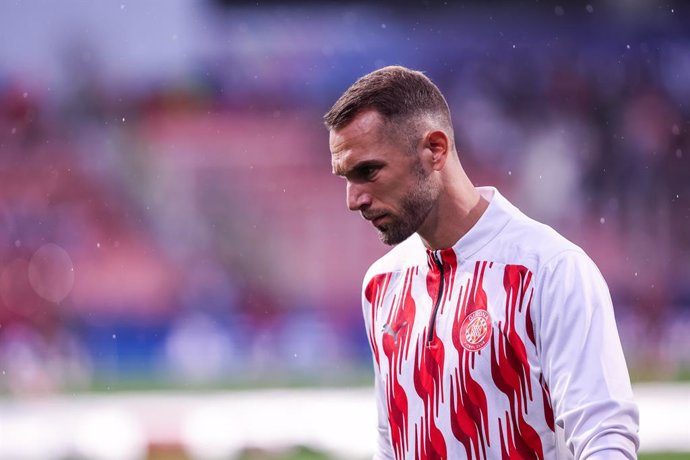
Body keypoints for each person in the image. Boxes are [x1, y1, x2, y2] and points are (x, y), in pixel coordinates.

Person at [324, 66, 639, 459]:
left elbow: (605, 439)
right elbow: (392, 445)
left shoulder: (549, 270)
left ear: (435, 149)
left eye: (368, 171)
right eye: (345, 178)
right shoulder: (382, 283)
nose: (354, 199)